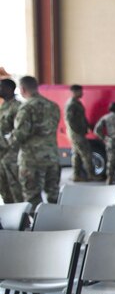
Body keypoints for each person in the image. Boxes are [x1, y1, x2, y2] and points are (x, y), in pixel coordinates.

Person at [11, 76, 62, 207]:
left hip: (31, 160)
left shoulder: (26, 108)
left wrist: (8, 139)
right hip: (52, 156)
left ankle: (38, 224)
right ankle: (58, 221)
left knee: (32, 196)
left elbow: (20, 135)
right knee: (53, 194)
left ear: (22, 89)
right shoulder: (53, 106)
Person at [65, 84, 95, 182]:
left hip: (78, 133)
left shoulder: (77, 103)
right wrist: (78, 131)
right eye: (80, 91)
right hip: (76, 134)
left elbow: (82, 117)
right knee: (86, 153)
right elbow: (69, 120)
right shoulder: (72, 104)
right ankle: (91, 174)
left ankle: (76, 175)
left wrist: (88, 126)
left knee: (77, 154)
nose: (82, 93)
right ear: (74, 92)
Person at [0, 78, 23, 203]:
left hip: (12, 154)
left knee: (16, 188)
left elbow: (20, 131)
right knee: (4, 188)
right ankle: (9, 218)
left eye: (1, 87)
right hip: (2, 154)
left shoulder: (17, 106)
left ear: (9, 89)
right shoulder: (4, 105)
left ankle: (23, 219)